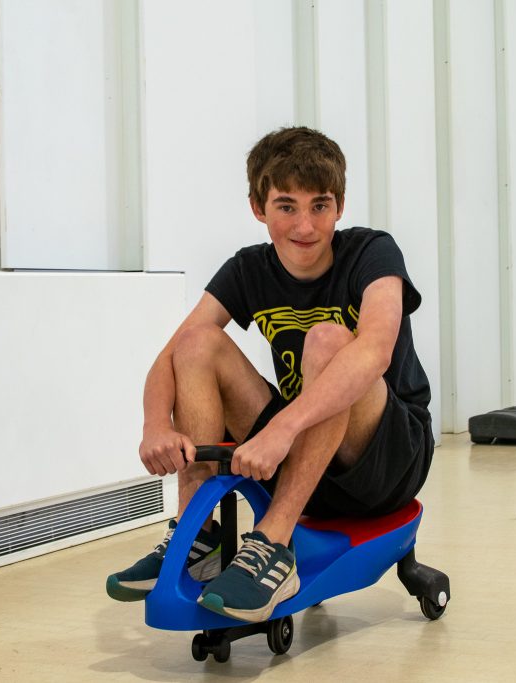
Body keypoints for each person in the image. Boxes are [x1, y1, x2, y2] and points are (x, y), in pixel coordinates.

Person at [106, 126, 433, 624]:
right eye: (286, 206)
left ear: (340, 206)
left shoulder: (373, 253)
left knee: (329, 340)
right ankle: (198, 539)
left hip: (387, 459)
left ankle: (275, 543)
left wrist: (281, 430)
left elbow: (375, 354)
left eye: (319, 205)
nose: (305, 224)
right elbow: (168, 356)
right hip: (305, 456)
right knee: (197, 344)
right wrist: (155, 425)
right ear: (259, 208)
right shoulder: (247, 269)